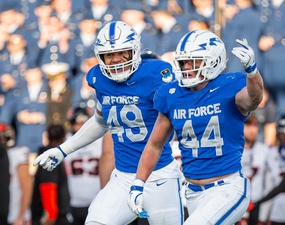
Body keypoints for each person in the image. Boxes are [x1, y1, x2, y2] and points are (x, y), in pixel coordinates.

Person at [33, 21, 183, 225]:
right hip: (123, 178)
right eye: (109, 55)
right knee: (96, 221)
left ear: (135, 51)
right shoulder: (99, 79)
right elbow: (100, 121)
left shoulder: (157, 74)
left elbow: (181, 113)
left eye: (123, 52)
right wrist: (63, 150)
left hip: (160, 177)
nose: (116, 60)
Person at [127, 30, 264, 224]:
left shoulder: (230, 85)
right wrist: (138, 183)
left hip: (227, 187)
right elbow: (155, 144)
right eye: (184, 62)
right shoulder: (171, 93)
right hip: (191, 192)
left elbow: (253, 99)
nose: (188, 67)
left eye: (194, 62)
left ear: (214, 61)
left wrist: (252, 72)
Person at [63, 106, 102, 225]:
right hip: (73, 202)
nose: (80, 127)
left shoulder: (101, 140)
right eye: (77, 123)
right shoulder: (66, 142)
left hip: (96, 201)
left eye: (83, 123)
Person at [31, 124, 72, 225]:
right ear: (63, 138)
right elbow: (48, 187)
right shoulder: (51, 158)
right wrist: (51, 216)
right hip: (53, 220)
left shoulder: (47, 155)